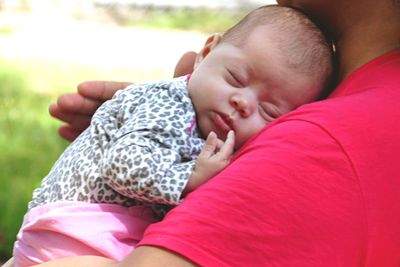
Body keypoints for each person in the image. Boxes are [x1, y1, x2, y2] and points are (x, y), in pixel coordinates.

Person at [33, 0, 400, 265]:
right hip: (76, 224)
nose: (241, 103)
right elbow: (126, 163)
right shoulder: (363, 113)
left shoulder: (319, 141)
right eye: (235, 78)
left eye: (271, 110)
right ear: (207, 51)